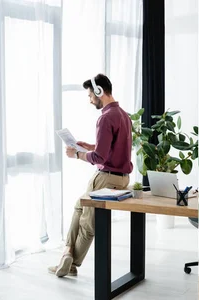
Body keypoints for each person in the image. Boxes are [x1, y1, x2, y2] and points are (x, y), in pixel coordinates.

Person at [48, 74, 133, 277]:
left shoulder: (105, 117)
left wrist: (77, 153)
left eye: (90, 95)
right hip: (121, 177)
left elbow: (99, 157)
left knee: (88, 222)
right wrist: (91, 146)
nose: (90, 100)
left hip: (106, 177)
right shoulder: (123, 115)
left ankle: (72, 264)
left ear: (99, 92)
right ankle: (67, 253)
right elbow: (114, 148)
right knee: (79, 207)